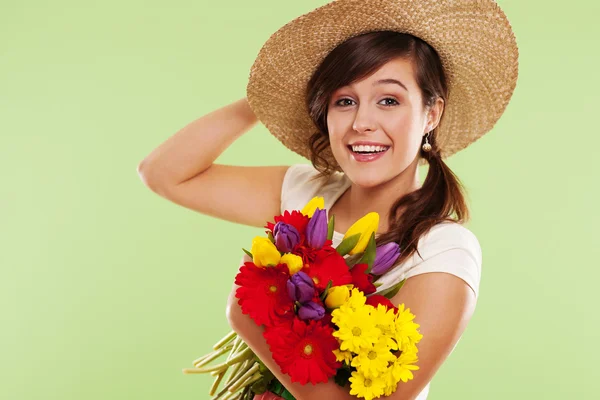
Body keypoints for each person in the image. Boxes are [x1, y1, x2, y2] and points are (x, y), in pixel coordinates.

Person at [137, 1, 519, 399]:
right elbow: (163, 173)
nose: (361, 123)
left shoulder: (444, 251)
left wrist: (250, 317)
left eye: (388, 100)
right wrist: (265, 96)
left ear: (431, 114)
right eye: (344, 100)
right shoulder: (306, 192)